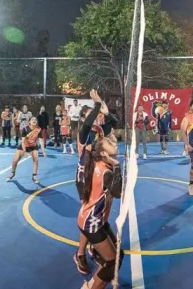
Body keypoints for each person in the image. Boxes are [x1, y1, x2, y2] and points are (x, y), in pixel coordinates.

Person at [77, 136, 123, 289]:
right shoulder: (106, 172)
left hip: (96, 220)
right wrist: (117, 166)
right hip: (92, 223)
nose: (114, 143)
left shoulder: (96, 163)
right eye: (110, 143)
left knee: (117, 256)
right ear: (103, 153)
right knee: (112, 262)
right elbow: (117, 192)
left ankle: (93, 283)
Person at [74, 90, 107, 275]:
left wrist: (107, 113)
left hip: (98, 174)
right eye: (90, 115)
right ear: (83, 117)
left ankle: (94, 247)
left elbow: (114, 124)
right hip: (85, 175)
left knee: (99, 213)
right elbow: (88, 120)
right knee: (88, 215)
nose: (94, 117)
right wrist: (96, 104)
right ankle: (80, 254)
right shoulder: (83, 131)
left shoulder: (100, 130)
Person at [7, 117, 43, 183]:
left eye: (35, 120)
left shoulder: (38, 129)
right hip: (24, 145)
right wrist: (24, 151)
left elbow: (41, 140)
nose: (34, 121)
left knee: (36, 160)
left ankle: (34, 176)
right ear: (29, 122)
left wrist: (43, 151)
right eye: (32, 119)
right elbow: (23, 142)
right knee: (15, 160)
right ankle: (12, 172)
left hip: (33, 146)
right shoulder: (25, 129)